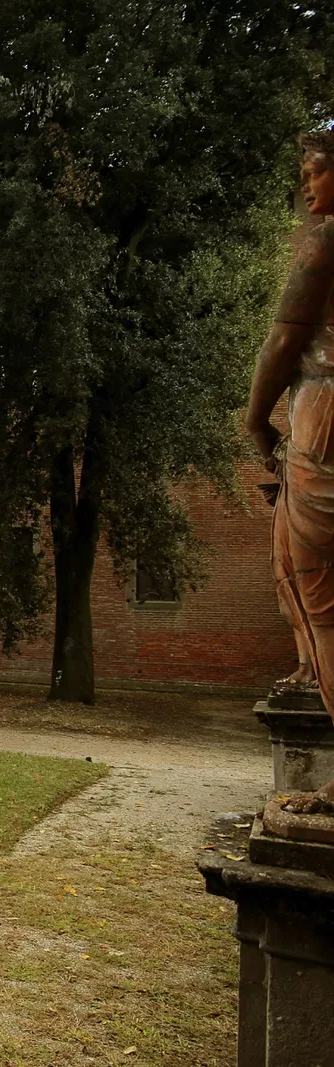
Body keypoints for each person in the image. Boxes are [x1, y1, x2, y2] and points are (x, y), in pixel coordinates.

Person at [246, 130, 334, 712]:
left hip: (323, 409)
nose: (306, 185)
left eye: (317, 171)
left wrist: (255, 419)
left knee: (319, 587)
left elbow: (284, 340)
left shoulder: (325, 241)